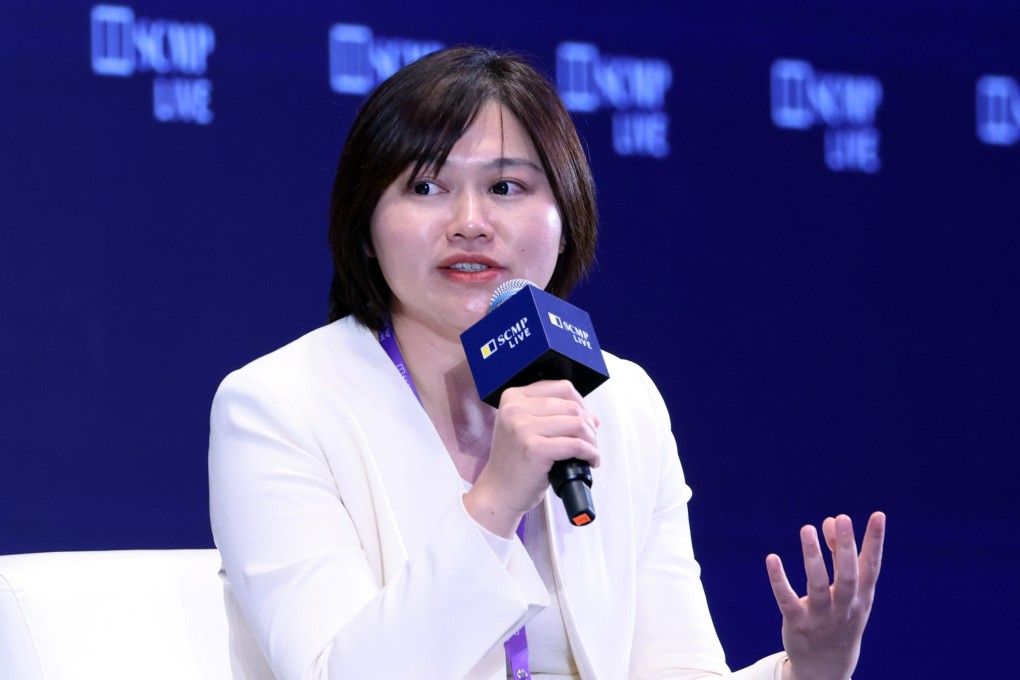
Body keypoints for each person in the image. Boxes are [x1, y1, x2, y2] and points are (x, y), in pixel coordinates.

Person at [209, 45, 885, 680]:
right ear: (364, 228)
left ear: (565, 220)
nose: (470, 221)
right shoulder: (277, 406)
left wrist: (808, 670)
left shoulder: (621, 401)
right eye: (426, 187)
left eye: (506, 187)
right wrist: (495, 500)